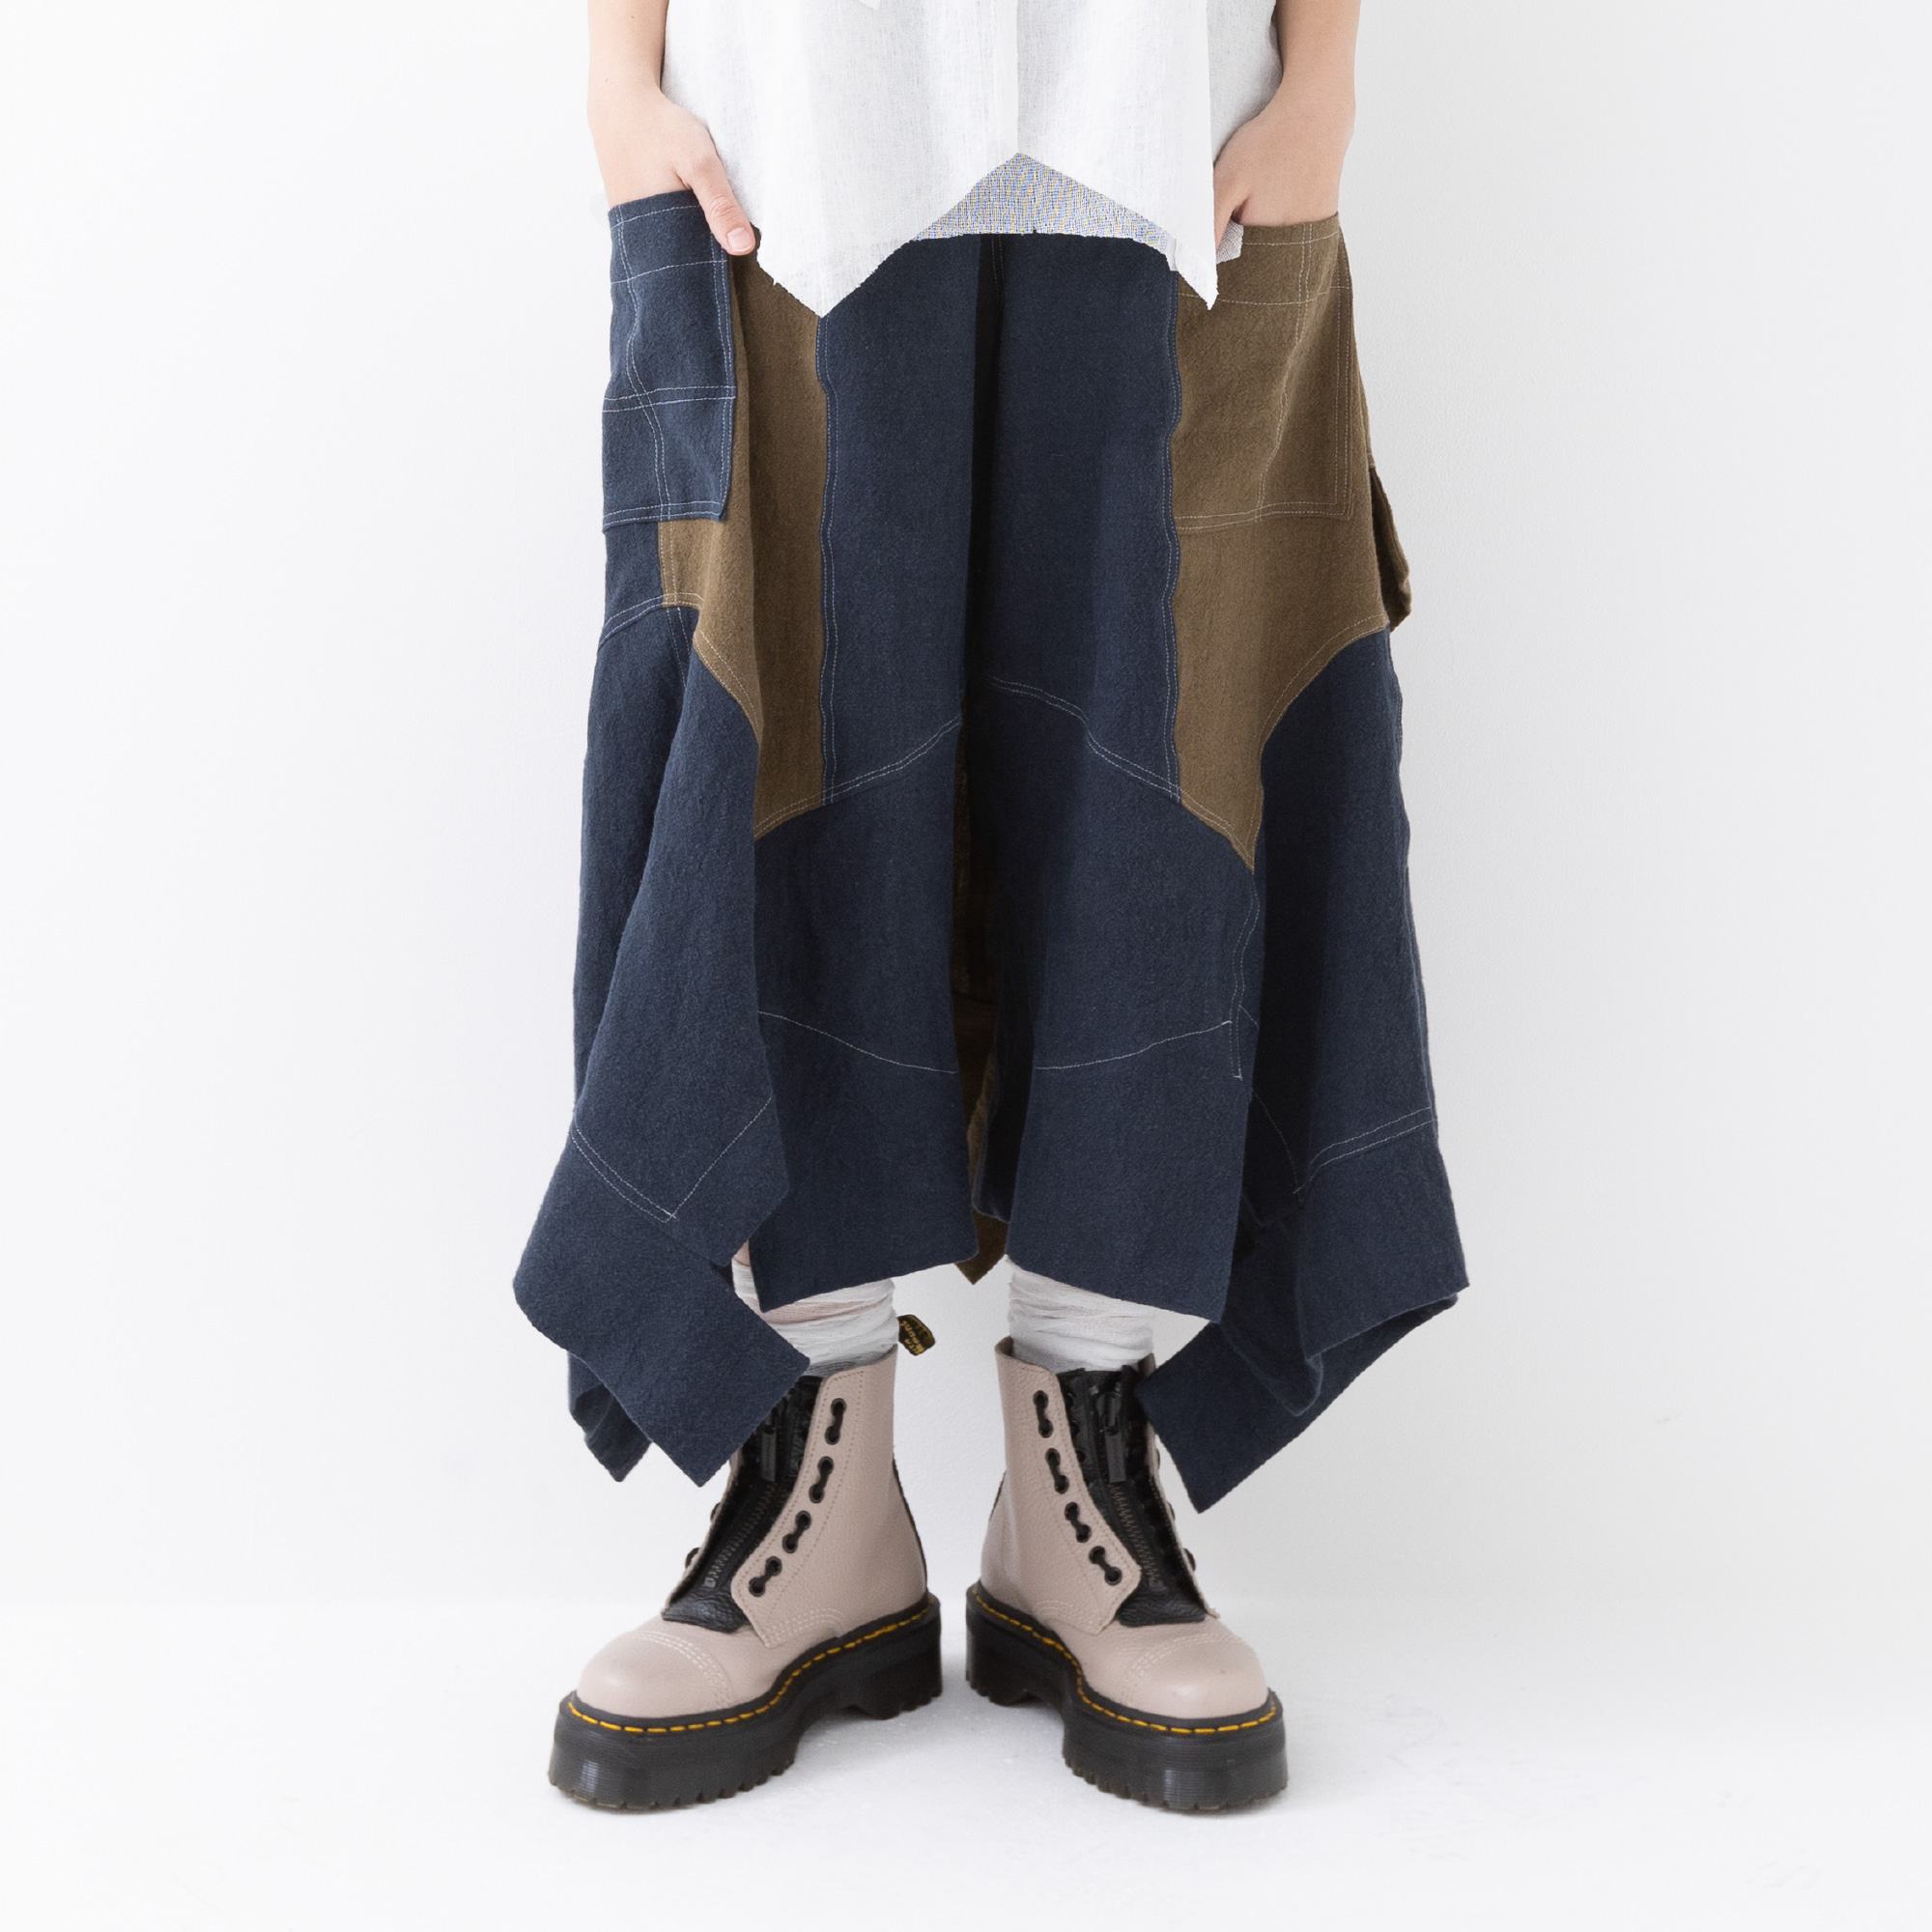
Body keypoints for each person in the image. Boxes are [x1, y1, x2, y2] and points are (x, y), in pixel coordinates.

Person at [515, 0, 1465, 1814]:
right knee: (780, 774)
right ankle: (819, 1497)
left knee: (1169, 785)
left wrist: (1327, 74)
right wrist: (617, 76)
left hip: (1180, 120)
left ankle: (1074, 1487)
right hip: (786, 119)